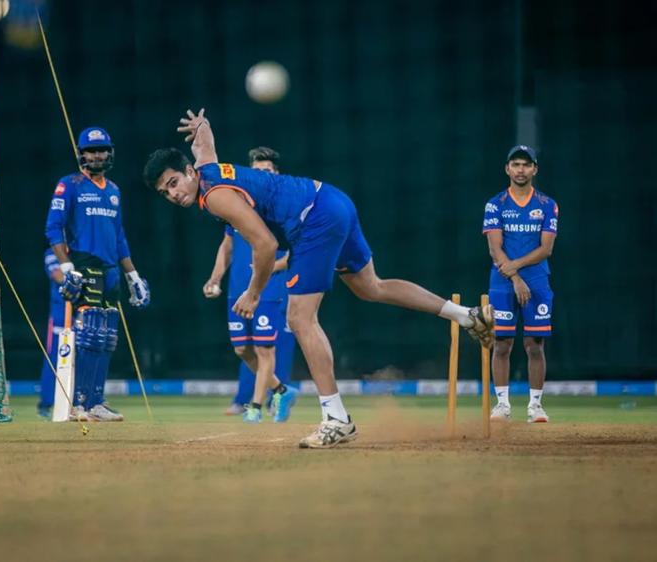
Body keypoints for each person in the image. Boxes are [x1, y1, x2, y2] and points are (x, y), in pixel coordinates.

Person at [143, 108, 494, 448]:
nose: (173, 194)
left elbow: (265, 245)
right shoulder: (203, 167)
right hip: (333, 200)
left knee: (299, 318)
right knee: (372, 287)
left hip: (313, 220)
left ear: (189, 172)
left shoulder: (215, 196)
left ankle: (336, 419)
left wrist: (253, 293)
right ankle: (465, 316)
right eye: (164, 192)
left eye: (173, 182)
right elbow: (204, 144)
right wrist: (201, 124)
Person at [45, 126, 150, 422]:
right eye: (92, 151)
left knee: (106, 336)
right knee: (89, 334)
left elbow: (119, 238)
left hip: (111, 270)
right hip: (84, 265)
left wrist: (133, 277)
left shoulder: (114, 191)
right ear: (82, 154)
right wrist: (68, 268)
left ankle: (96, 402)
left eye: (102, 149)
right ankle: (79, 403)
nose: (97, 155)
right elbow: (53, 228)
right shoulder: (70, 184)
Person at [203, 146, 298, 423]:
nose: (262, 176)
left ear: (276, 174)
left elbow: (296, 250)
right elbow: (228, 246)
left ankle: (255, 406)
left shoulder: (281, 207)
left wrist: (271, 267)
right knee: (241, 349)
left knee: (264, 348)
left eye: (267, 171)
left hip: (269, 288)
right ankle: (281, 390)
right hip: (237, 290)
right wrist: (215, 277)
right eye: (257, 171)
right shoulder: (236, 204)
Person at [482, 145, 558, 423]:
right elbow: (494, 249)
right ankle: (502, 405)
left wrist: (518, 269)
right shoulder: (496, 204)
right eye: (516, 164)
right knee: (501, 344)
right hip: (503, 280)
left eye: (526, 165)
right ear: (507, 169)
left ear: (534, 169)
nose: (521, 170)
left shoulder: (547, 205)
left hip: (537, 279)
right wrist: (514, 277)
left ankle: (535, 406)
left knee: (534, 344)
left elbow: (546, 249)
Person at [37, 249, 65, 419]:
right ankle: (46, 404)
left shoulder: (81, 248)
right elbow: (58, 276)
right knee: (53, 360)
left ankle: (80, 403)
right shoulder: (52, 252)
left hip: (81, 314)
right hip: (59, 317)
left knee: (83, 359)